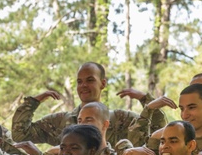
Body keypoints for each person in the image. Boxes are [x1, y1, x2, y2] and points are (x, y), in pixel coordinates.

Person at [11, 62, 163, 146]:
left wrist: (146, 100)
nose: (83, 85)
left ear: (103, 83)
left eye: (90, 80)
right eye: (79, 82)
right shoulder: (63, 121)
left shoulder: (121, 120)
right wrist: (32, 103)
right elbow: (20, 134)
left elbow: (158, 133)